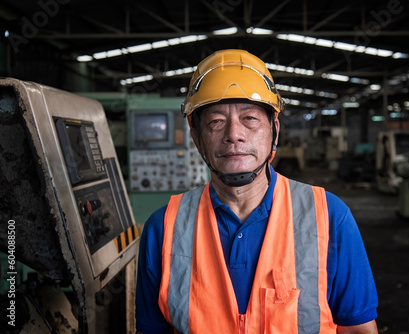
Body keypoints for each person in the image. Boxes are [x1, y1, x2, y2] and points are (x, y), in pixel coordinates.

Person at [135, 49, 378, 334]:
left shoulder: (329, 217)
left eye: (250, 118)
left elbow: (358, 330)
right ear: (196, 137)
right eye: (216, 121)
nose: (234, 134)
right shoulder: (163, 229)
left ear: (274, 129)